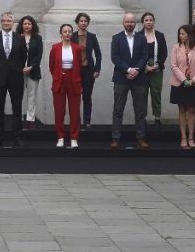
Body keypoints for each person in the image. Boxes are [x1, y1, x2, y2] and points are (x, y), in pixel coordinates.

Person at [0, 12, 27, 147]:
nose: (6, 23)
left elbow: (23, 57)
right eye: (3, 20)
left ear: (13, 23)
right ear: (0, 22)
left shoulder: (19, 38)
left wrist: (16, 69)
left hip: (16, 78)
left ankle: (17, 136)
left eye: (9, 21)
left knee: (17, 108)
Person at [110, 12, 149, 149]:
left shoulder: (142, 38)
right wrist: (128, 70)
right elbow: (115, 58)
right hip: (121, 78)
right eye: (127, 22)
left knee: (140, 110)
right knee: (118, 109)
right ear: (123, 23)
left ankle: (141, 138)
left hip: (139, 79)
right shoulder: (116, 38)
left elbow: (145, 56)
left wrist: (136, 70)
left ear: (135, 23)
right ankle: (115, 138)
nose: (129, 24)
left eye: (132, 22)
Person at [170, 24, 195, 149]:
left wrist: (194, 80)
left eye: (183, 34)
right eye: (179, 34)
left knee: (192, 110)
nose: (181, 36)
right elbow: (173, 65)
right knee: (182, 110)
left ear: (190, 35)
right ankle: (183, 137)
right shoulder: (176, 47)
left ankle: (191, 137)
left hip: (194, 84)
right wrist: (184, 79)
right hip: (180, 83)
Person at [48, 24, 82, 149]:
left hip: (73, 80)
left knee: (74, 111)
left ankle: (74, 137)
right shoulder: (55, 48)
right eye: (65, 31)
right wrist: (57, 75)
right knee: (59, 111)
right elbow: (51, 65)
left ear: (72, 33)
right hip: (59, 80)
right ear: (61, 33)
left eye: (69, 31)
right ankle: (60, 137)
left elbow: (79, 65)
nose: (67, 33)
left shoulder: (77, 48)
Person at [71, 12, 102, 128]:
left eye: (85, 21)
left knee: (87, 96)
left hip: (89, 70)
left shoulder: (92, 37)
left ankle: (87, 120)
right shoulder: (72, 36)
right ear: (77, 23)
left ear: (88, 23)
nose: (83, 23)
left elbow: (98, 54)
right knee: (75, 96)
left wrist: (97, 69)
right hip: (75, 70)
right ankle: (76, 120)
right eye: (81, 21)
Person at [141, 12, 168, 129]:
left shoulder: (160, 35)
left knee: (156, 93)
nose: (148, 22)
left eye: (150, 20)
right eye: (146, 20)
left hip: (157, 68)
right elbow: (136, 54)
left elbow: (164, 53)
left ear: (154, 21)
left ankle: (157, 117)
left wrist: (157, 65)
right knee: (142, 94)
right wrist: (144, 66)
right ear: (143, 22)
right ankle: (143, 118)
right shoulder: (138, 36)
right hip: (143, 69)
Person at [18, 16, 44, 129]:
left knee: (32, 96)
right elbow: (14, 55)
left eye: (29, 24)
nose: (27, 26)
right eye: (25, 24)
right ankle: (18, 117)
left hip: (33, 71)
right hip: (19, 71)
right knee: (18, 96)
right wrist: (20, 68)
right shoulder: (17, 37)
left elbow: (39, 55)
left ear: (32, 25)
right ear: (21, 25)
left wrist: (31, 67)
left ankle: (30, 119)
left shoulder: (37, 38)